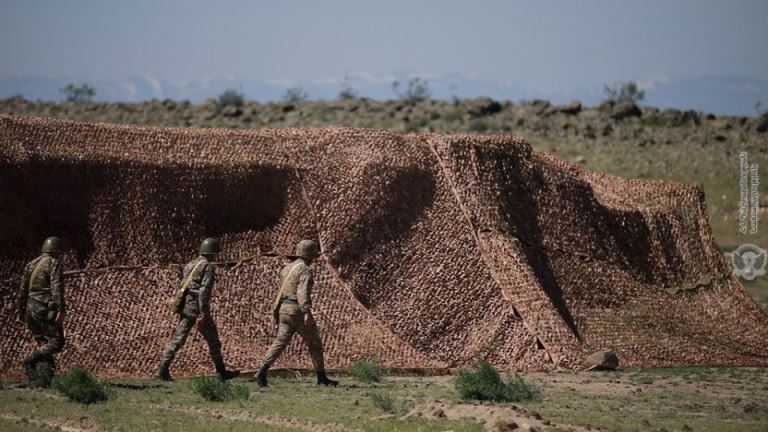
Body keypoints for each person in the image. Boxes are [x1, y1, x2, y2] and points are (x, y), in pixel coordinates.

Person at [255, 239, 338, 387]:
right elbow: (302, 292)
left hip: (284, 309)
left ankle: (262, 371)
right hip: (297, 310)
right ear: (309, 255)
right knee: (315, 343)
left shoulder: (287, 268)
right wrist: (306, 312)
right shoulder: (304, 269)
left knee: (279, 342)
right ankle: (321, 377)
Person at [156, 237, 239, 381]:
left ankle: (163, 368)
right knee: (213, 340)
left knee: (178, 339)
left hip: (187, 306)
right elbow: (204, 292)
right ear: (212, 253)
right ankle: (221, 372)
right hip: (198, 308)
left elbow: (187, 286)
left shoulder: (190, 264)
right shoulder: (208, 266)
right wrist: (203, 313)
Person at [17, 236, 67, 385]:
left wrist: (21, 311)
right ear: (56, 251)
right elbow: (57, 287)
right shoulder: (53, 263)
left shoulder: (31, 264)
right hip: (43, 308)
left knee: (44, 344)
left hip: (29, 309)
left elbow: (22, 290)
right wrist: (61, 309)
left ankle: (44, 380)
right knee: (57, 342)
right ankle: (29, 361)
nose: (61, 256)